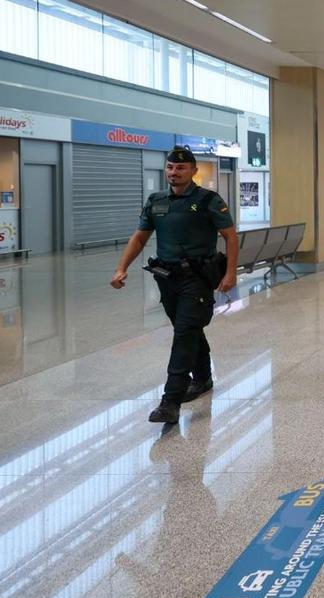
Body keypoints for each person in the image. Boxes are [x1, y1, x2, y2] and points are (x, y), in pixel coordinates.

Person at [111, 146, 239, 424]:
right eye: (170, 167)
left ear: (193, 171)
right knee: (188, 329)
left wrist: (231, 274)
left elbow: (230, 236)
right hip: (167, 278)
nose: (173, 172)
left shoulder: (208, 200)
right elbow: (139, 238)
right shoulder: (156, 201)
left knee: (184, 332)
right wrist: (122, 268)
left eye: (180, 168)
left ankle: (170, 400)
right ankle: (203, 378)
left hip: (198, 277)